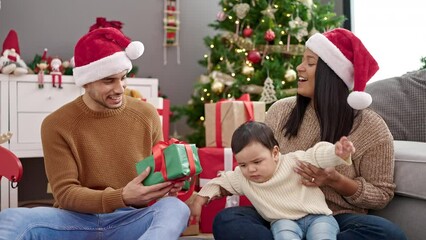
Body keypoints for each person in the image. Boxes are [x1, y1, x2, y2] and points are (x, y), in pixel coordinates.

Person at [213, 28, 407, 240]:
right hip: (279, 215)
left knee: (389, 233)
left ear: (331, 73)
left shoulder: (371, 127)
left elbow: (381, 195)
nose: (299, 68)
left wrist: (335, 180)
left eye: (310, 63)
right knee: (228, 220)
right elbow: (255, 164)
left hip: (335, 217)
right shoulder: (280, 111)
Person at [0, 27, 190, 239]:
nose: (120, 88)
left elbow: (156, 175)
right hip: (75, 221)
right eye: (108, 80)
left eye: (123, 77)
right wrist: (122, 196)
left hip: (130, 219)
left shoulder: (146, 114)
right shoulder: (56, 124)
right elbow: (65, 194)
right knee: (10, 218)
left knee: (175, 209)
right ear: (86, 81)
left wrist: (166, 186)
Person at [191, 121, 355, 240]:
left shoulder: (293, 161)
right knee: (283, 235)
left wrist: (336, 153)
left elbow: (317, 155)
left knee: (322, 236)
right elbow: (220, 183)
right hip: (283, 221)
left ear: (275, 153)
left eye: (257, 162)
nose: (251, 169)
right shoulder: (242, 177)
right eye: (243, 164)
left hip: (317, 217)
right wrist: (200, 199)